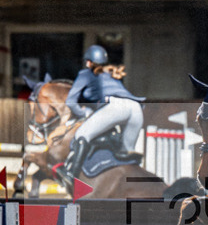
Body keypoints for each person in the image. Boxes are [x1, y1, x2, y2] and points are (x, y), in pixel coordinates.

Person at [55, 45, 146, 186]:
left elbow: (71, 101)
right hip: (136, 109)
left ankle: (70, 174)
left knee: (81, 135)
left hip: (116, 107)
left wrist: (83, 112)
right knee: (126, 153)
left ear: (88, 62)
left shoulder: (85, 74)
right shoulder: (110, 74)